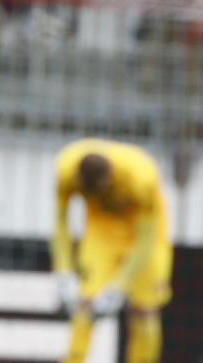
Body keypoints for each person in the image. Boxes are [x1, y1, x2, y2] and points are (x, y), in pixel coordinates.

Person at [51, 138, 172, 363]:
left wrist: (118, 286)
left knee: (144, 311)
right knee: (84, 304)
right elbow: (60, 223)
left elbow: (145, 240)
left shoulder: (141, 175)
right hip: (101, 235)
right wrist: (63, 271)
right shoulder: (65, 169)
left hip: (146, 236)